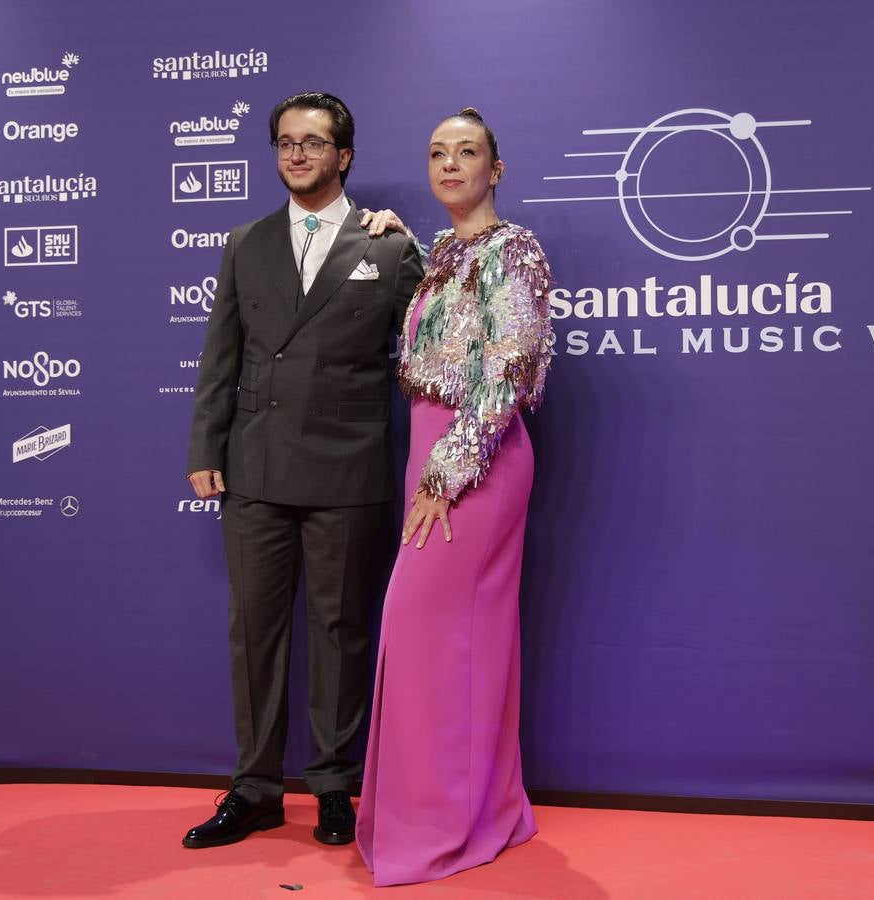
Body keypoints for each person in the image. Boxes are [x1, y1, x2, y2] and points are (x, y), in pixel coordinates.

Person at [183, 91, 423, 849]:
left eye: (313, 143)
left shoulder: (386, 246)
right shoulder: (244, 241)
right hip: (253, 465)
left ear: (342, 155)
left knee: (340, 629)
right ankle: (253, 789)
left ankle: (334, 786)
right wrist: (204, 449)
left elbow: (435, 348)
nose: (296, 155)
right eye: (285, 142)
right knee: (253, 633)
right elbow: (220, 356)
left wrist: (419, 251)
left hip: (348, 469)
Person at [355, 108, 555, 886]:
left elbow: (506, 365)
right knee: (450, 643)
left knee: (434, 637)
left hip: (475, 460)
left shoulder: (516, 251)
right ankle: (482, 807)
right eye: (437, 153)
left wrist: (449, 468)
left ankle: (445, 823)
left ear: (494, 169)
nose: (449, 165)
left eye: (466, 152)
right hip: (428, 452)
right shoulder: (444, 250)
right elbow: (444, 327)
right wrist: (405, 240)